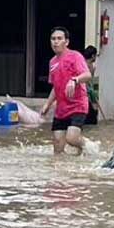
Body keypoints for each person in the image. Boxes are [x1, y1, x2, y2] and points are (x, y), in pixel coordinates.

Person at [39, 27, 92, 155]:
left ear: (66, 42)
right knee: (57, 147)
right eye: (53, 39)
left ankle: (88, 145)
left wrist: (75, 80)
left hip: (77, 105)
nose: (55, 42)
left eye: (59, 39)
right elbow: (55, 87)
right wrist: (47, 104)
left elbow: (87, 75)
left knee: (71, 138)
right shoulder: (52, 62)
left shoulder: (75, 56)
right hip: (61, 109)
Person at [82, 45, 100, 125]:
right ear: (93, 55)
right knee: (91, 119)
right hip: (85, 94)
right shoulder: (85, 65)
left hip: (88, 93)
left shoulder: (90, 65)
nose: (96, 57)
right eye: (95, 55)